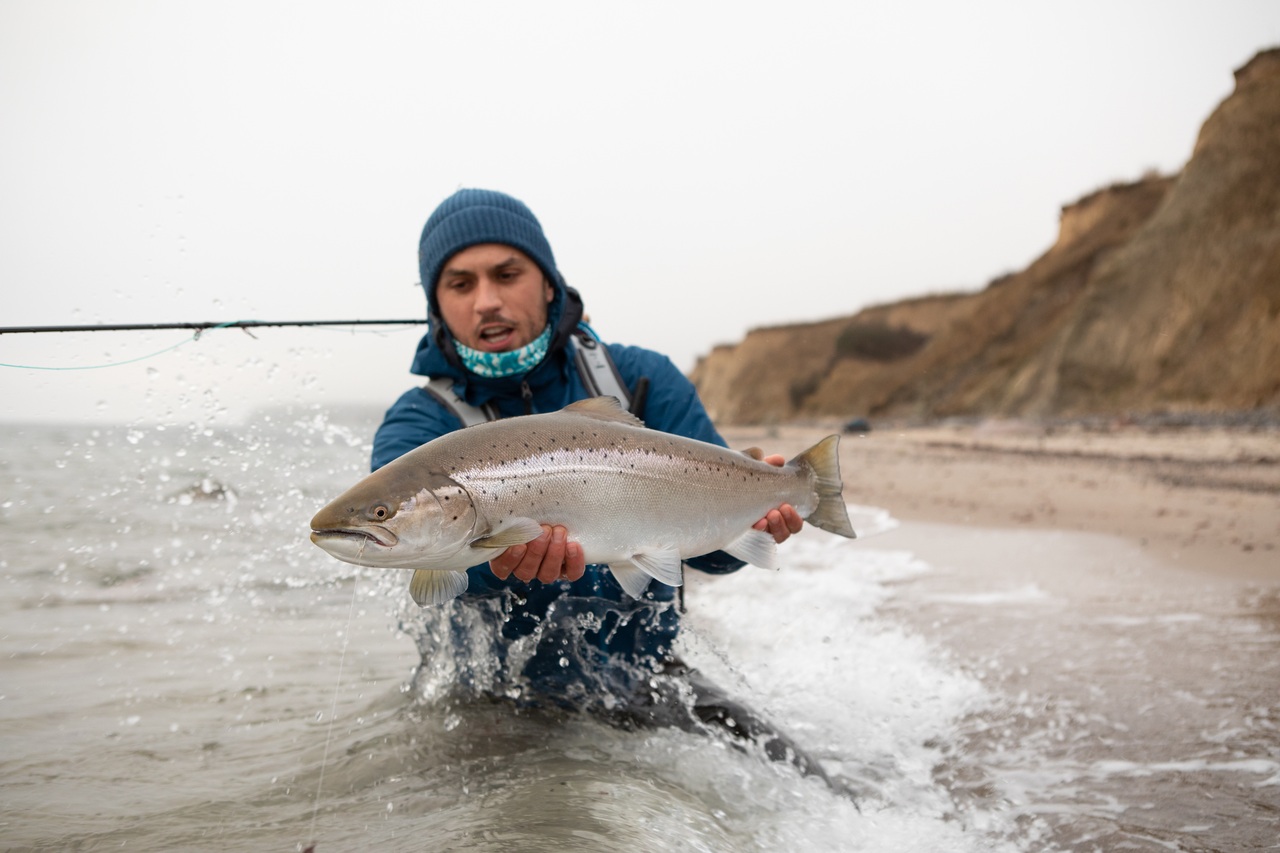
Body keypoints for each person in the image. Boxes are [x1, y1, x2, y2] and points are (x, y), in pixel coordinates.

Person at [373, 188, 831, 784]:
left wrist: (759, 516)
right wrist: (500, 562)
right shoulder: (417, 425)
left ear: (548, 284)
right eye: (459, 284)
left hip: (648, 677)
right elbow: (428, 573)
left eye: (507, 274)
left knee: (808, 783)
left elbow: (716, 560)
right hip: (491, 702)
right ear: (437, 302)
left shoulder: (643, 380)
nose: (486, 300)